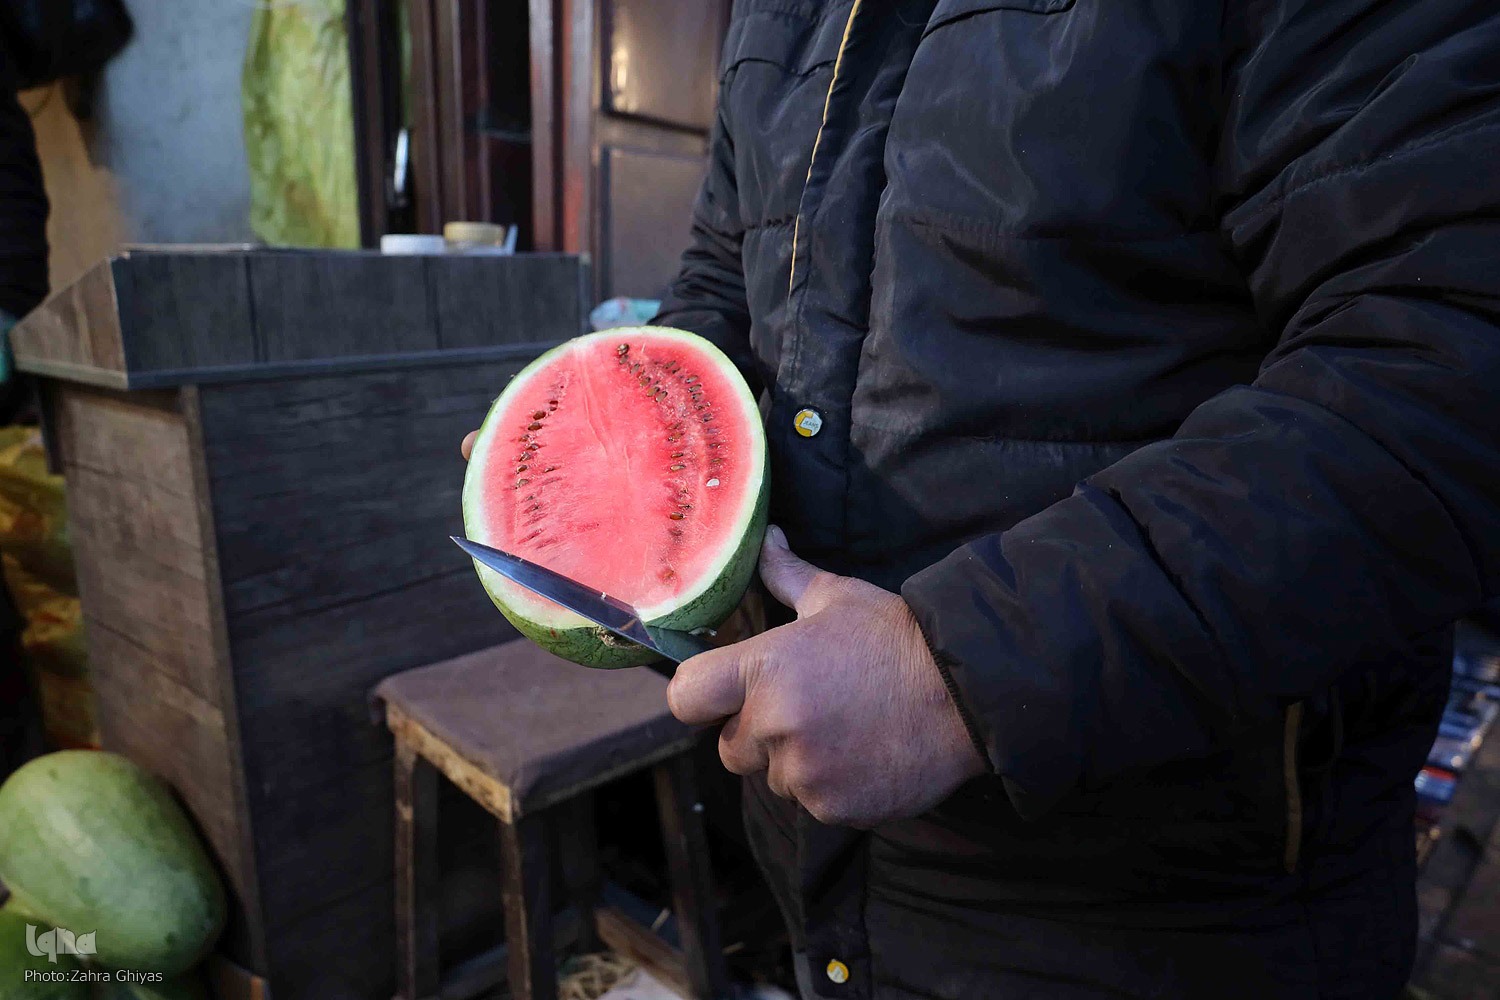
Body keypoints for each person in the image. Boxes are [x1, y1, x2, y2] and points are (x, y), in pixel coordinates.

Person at [469, 2, 1500, 996]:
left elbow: (1444, 366)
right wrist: (611, 436)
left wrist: (965, 674)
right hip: (826, 872)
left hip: (1172, 913)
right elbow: (724, 275)